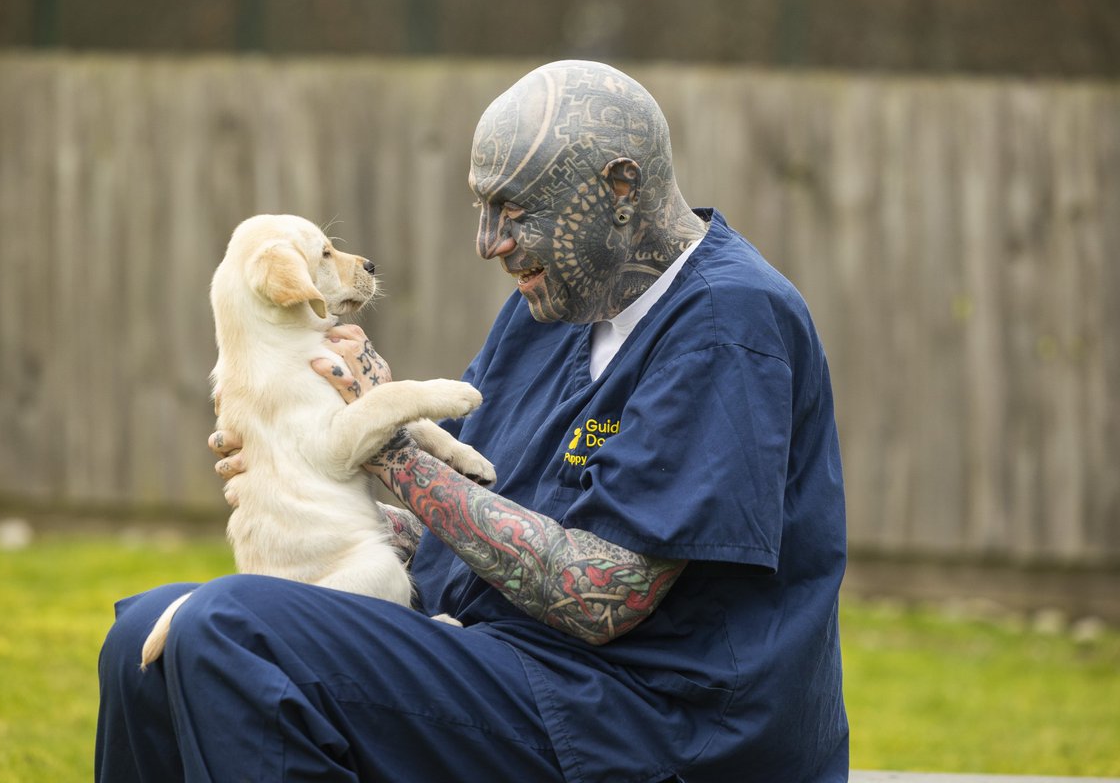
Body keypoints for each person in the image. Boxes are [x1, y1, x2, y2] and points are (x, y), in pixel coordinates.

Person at [96, 59, 849, 782]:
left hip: (652, 722)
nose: (488, 242)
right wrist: (310, 496)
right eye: (484, 210)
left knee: (230, 630)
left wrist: (381, 443)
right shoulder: (554, 308)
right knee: (145, 639)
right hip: (517, 668)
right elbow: (479, 529)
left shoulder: (727, 323)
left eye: (515, 212)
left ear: (620, 187)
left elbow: (603, 595)